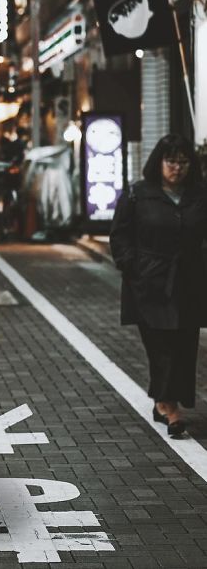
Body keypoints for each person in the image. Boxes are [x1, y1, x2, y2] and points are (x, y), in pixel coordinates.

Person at [110, 133, 207, 436]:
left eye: (183, 161)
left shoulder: (199, 195)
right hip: (150, 283)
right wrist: (131, 265)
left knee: (184, 344)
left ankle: (163, 402)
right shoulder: (139, 194)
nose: (177, 167)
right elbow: (120, 234)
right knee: (161, 345)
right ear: (159, 163)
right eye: (171, 161)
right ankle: (170, 406)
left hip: (189, 282)